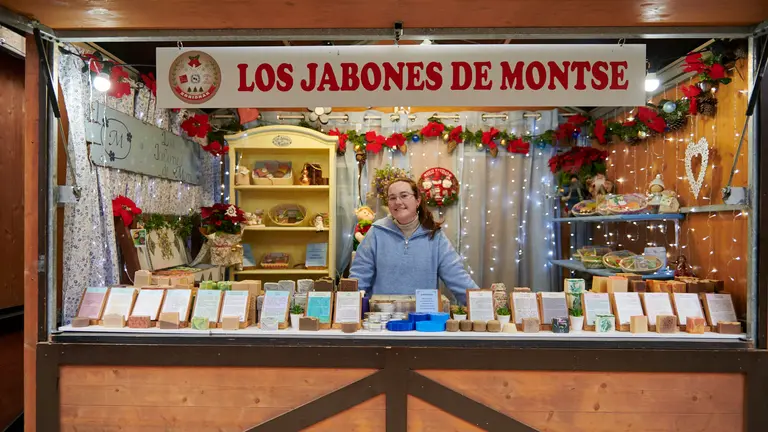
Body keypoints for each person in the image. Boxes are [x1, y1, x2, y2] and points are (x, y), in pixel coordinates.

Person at [349, 177, 478, 304]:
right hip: (381, 318)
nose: (398, 202)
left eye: (404, 195)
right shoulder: (376, 232)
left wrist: (482, 304)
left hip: (423, 319)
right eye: (392, 198)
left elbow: (457, 277)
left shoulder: (435, 236)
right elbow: (359, 277)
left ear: (417, 201)